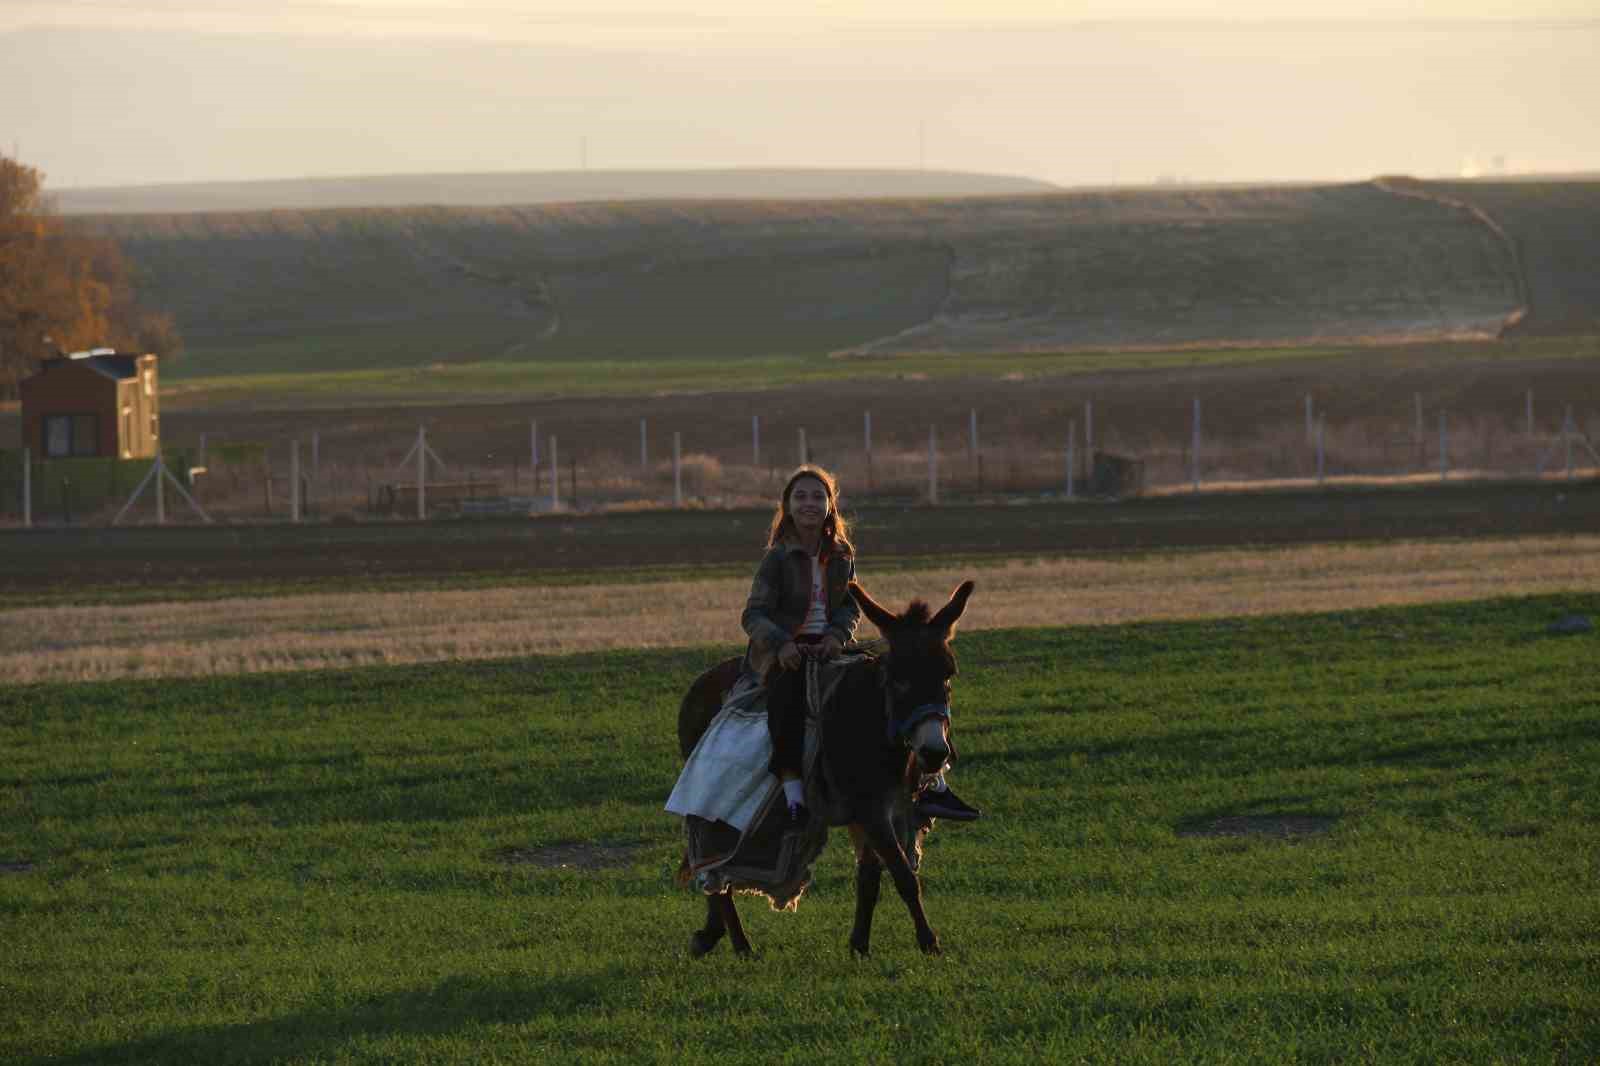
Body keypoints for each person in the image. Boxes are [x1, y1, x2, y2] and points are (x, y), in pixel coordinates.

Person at [740, 465, 982, 825]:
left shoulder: (841, 554)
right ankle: (793, 798)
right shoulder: (776, 559)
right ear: (787, 506)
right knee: (785, 704)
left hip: (834, 650)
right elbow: (754, 614)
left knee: (910, 683)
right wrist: (781, 644)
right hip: (788, 655)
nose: (810, 503)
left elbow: (850, 606)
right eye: (801, 496)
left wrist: (837, 637)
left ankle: (933, 783)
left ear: (830, 506)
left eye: (818, 496)